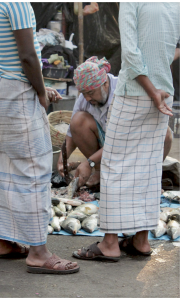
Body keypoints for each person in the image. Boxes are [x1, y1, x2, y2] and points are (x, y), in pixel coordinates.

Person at [72, 2, 179, 261]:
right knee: (149, 165)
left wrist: (149, 90)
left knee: (115, 164)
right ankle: (141, 240)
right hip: (164, 90)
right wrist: (158, 88)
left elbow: (131, 53)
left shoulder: (132, 2)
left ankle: (110, 244)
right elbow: (173, 48)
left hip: (136, 91)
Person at [0, 2, 79, 274]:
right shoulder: (17, 2)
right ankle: (39, 252)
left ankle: (2, 241)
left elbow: (8, 56)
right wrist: (39, 91)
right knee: (34, 170)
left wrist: (39, 85)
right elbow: (27, 56)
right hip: (17, 93)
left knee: (5, 167)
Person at [57, 56, 173, 188]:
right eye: (83, 93)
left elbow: (120, 140)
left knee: (165, 133)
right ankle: (101, 171)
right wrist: (62, 160)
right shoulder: (85, 97)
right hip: (105, 144)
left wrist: (89, 163)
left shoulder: (123, 92)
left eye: (90, 92)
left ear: (105, 84)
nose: (87, 98)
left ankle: (147, 176)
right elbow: (71, 135)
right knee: (78, 121)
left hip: (131, 143)